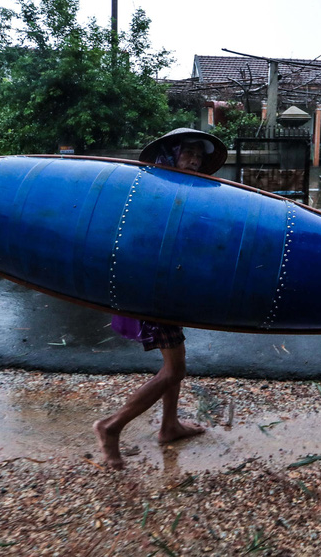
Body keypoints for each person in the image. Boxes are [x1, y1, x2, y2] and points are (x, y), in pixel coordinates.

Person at [94, 128, 228, 470]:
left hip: (173, 284)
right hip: (155, 287)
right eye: (189, 153)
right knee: (175, 368)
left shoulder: (182, 190)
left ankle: (169, 426)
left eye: (199, 155)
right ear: (171, 156)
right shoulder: (157, 191)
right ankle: (111, 427)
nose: (196, 160)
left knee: (173, 364)